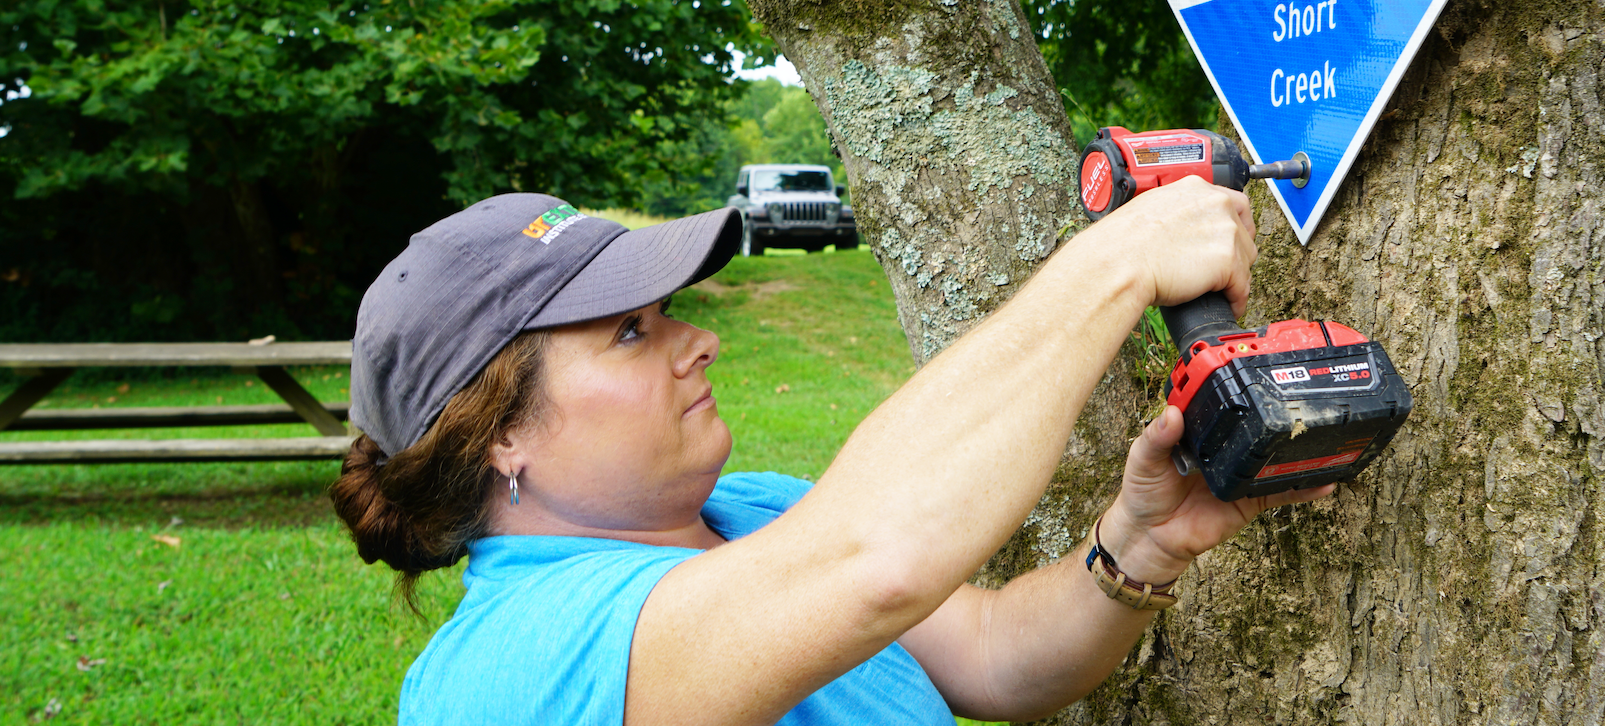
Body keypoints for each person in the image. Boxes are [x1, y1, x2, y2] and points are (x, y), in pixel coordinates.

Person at [329, 181, 1331, 725]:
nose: (695, 341)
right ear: (497, 430)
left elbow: (989, 658)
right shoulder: (512, 666)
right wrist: (1115, 262)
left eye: (666, 313)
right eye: (629, 333)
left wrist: (1134, 550)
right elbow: (875, 563)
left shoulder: (756, 514)